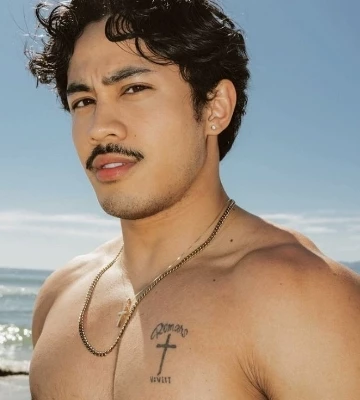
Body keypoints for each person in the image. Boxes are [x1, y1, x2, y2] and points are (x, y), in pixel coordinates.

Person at [26, 0, 360, 398]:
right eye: (84, 101)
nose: (99, 128)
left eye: (133, 89)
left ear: (215, 108)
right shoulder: (60, 295)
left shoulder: (303, 296)